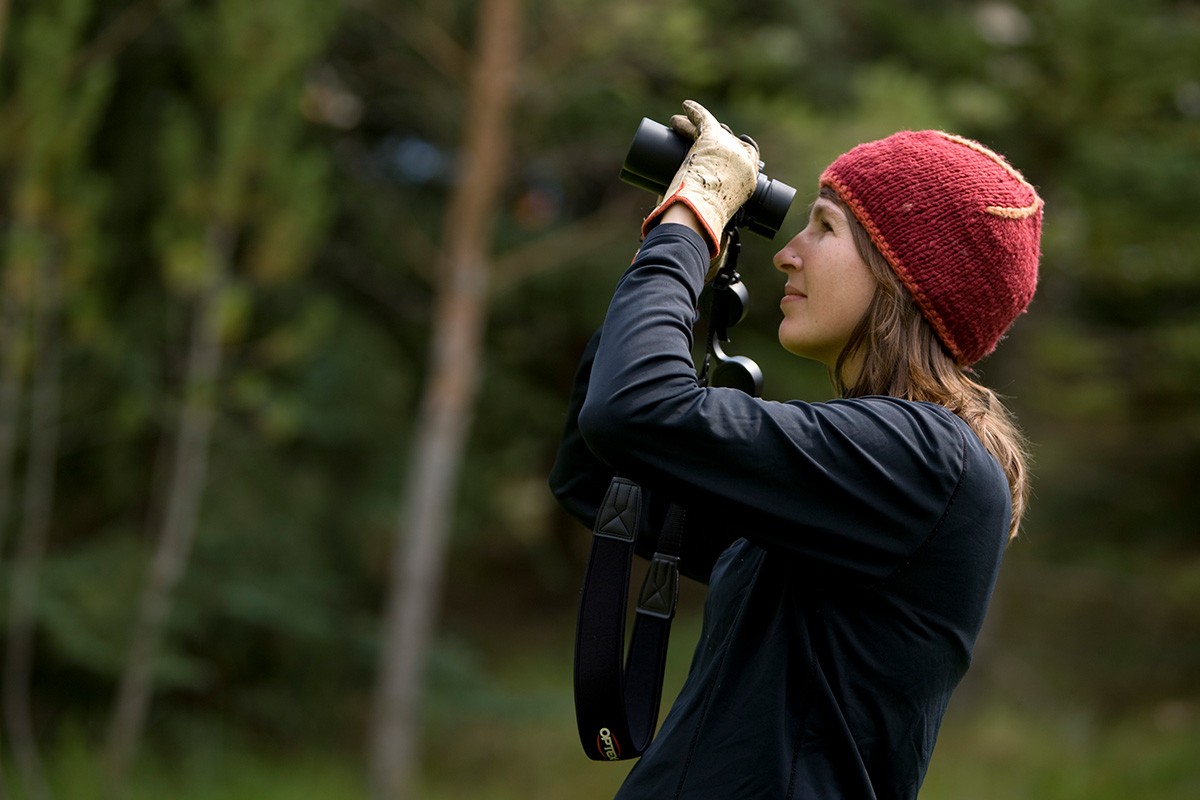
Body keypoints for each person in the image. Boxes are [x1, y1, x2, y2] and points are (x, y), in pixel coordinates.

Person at [549, 100, 1042, 799]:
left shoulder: (925, 458)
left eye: (824, 228)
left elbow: (636, 411)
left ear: (902, 277)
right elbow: (598, 480)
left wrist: (692, 222)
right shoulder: (860, 476)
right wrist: (674, 246)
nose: (787, 252)